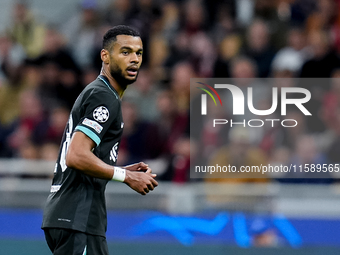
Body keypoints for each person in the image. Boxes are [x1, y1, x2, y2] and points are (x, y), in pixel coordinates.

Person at [41, 25, 158, 255]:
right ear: (105, 55)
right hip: (77, 218)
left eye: (139, 53)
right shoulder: (104, 96)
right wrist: (126, 176)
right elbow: (75, 155)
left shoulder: (101, 92)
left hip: (72, 218)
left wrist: (118, 169)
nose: (134, 59)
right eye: (125, 52)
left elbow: (84, 156)